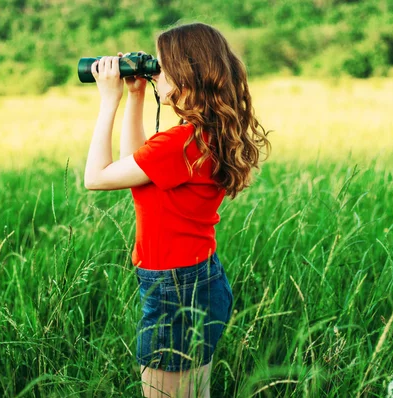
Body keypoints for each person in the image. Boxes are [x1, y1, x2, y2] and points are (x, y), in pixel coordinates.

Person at [84, 22, 271, 398]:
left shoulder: (179, 143)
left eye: (163, 67)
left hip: (174, 288)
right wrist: (136, 97)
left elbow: (97, 177)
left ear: (186, 76)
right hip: (200, 278)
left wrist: (109, 101)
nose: (158, 73)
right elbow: (135, 168)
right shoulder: (204, 135)